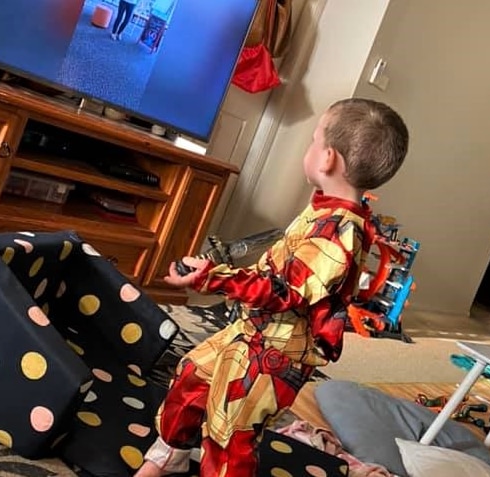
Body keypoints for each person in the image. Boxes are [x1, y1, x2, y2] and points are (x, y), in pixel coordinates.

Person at [134, 98, 409, 477]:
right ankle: (169, 457)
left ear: (327, 158)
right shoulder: (326, 210)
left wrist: (210, 276)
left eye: (313, 140)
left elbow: (281, 290)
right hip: (253, 332)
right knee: (192, 376)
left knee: (230, 430)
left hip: (276, 353)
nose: (309, 149)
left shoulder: (340, 232)